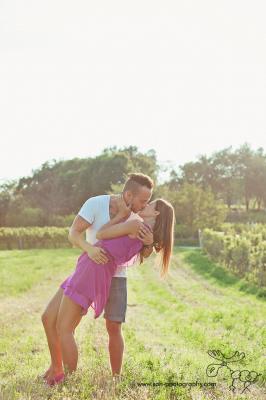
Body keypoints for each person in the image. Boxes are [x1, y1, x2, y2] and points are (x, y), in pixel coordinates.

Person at [45, 198, 175, 385]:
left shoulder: (137, 225)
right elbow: (142, 253)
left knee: (64, 328)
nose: (144, 204)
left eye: (149, 204)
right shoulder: (144, 231)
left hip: (92, 268)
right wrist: (148, 242)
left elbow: (102, 234)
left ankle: (69, 381)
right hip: (96, 269)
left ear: (155, 214)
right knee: (63, 326)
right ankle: (62, 373)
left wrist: (121, 217)